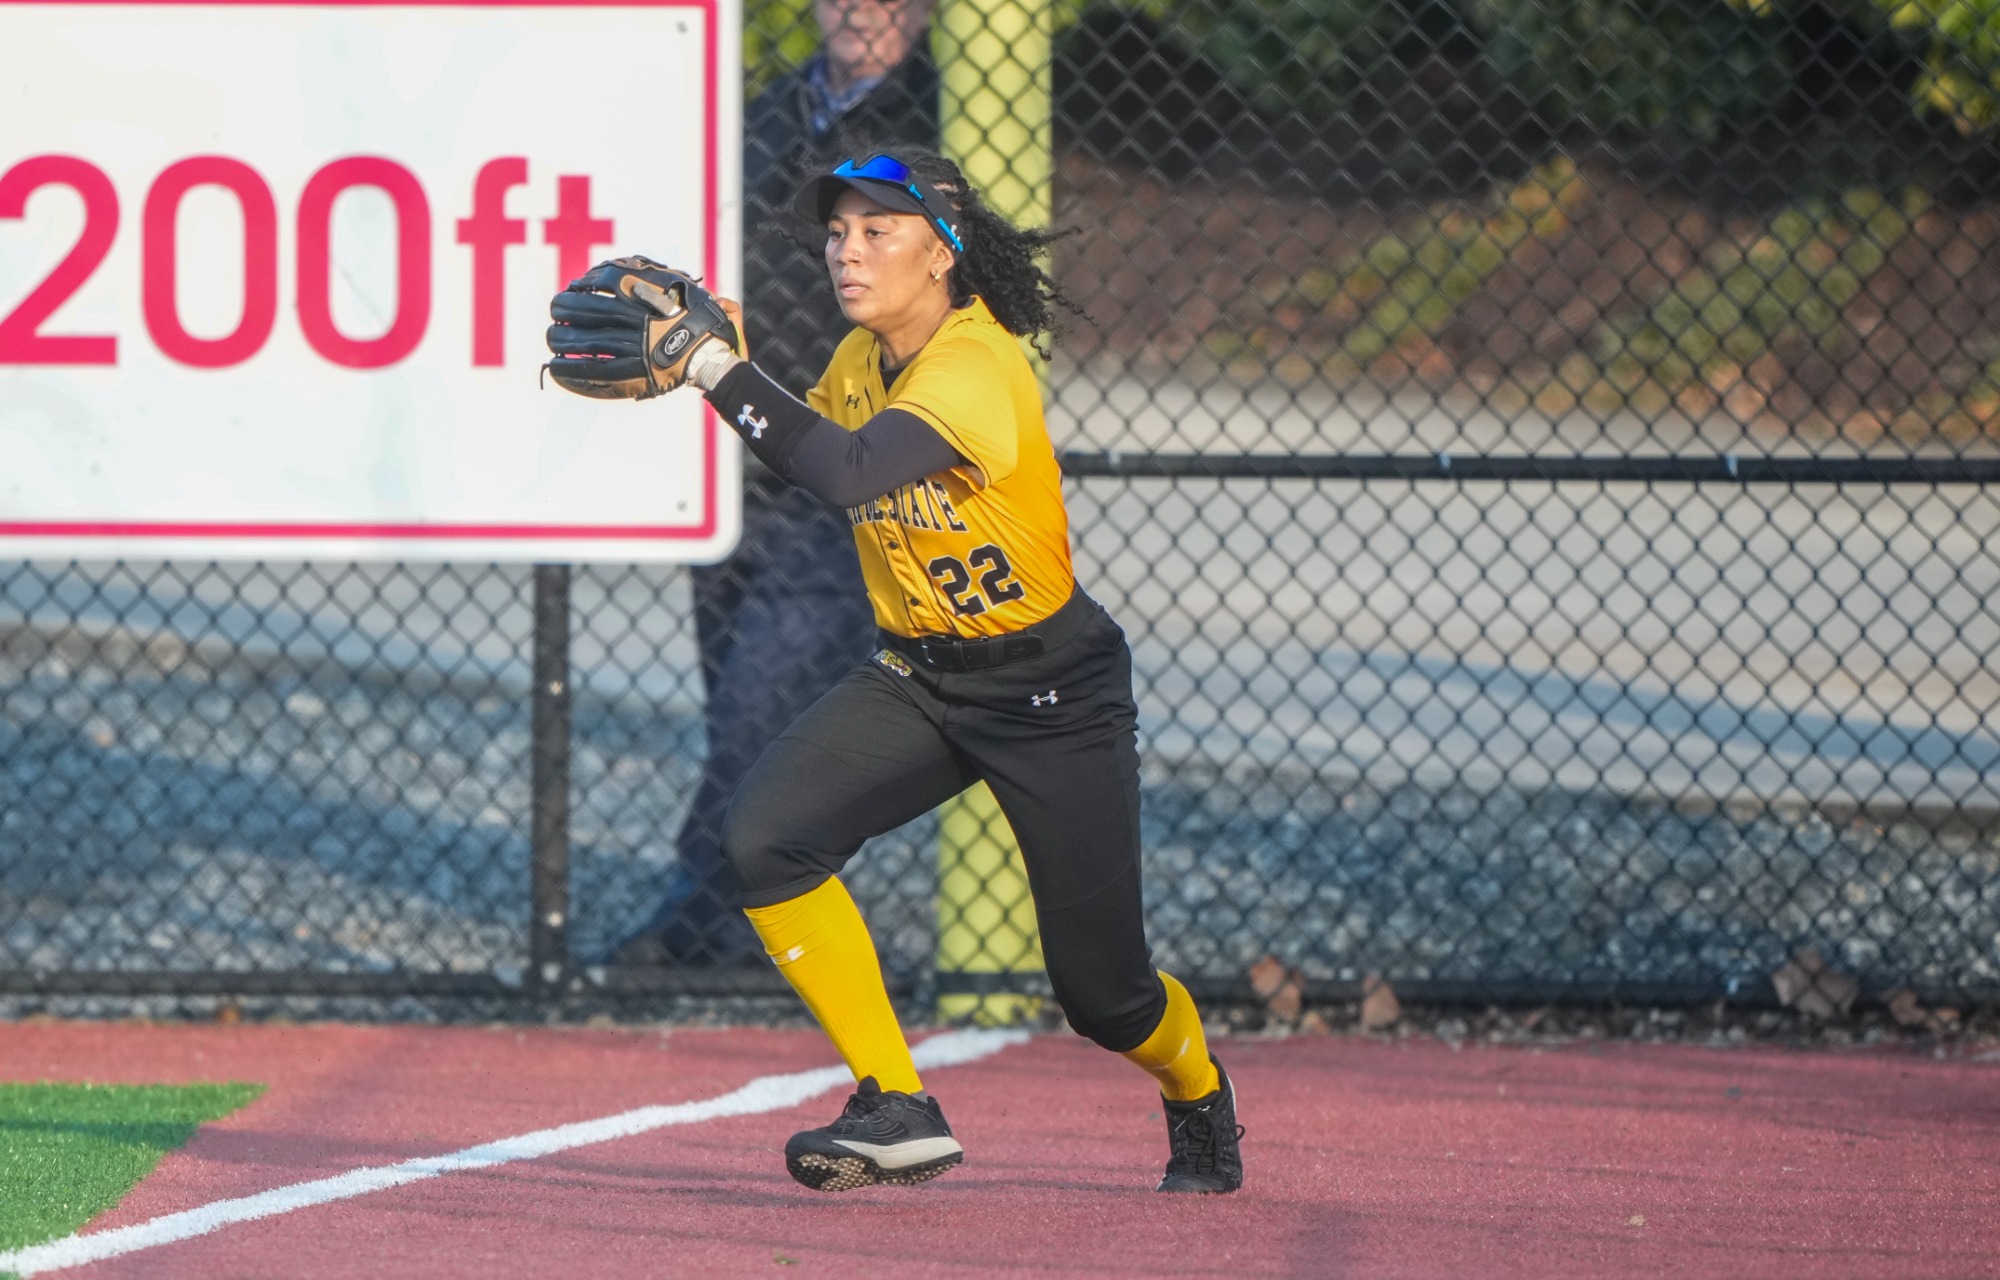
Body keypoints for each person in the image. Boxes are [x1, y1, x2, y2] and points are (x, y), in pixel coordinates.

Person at [657, 148, 1245, 1193]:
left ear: (942, 250)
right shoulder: (858, 360)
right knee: (764, 837)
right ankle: (896, 1100)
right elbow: (802, 456)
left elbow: (845, 471)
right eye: (838, 232)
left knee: (1105, 999)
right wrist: (723, 376)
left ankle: (1196, 1090)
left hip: (1051, 688)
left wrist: (719, 371)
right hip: (919, 678)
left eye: (878, 229)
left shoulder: (977, 361)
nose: (849, 248)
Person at [605, 0, 941, 967]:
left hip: (841, 457)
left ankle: (689, 926)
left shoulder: (936, 124)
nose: (862, 11)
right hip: (732, 447)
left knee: (764, 706)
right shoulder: (762, 113)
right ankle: (778, 927)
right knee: (741, 712)